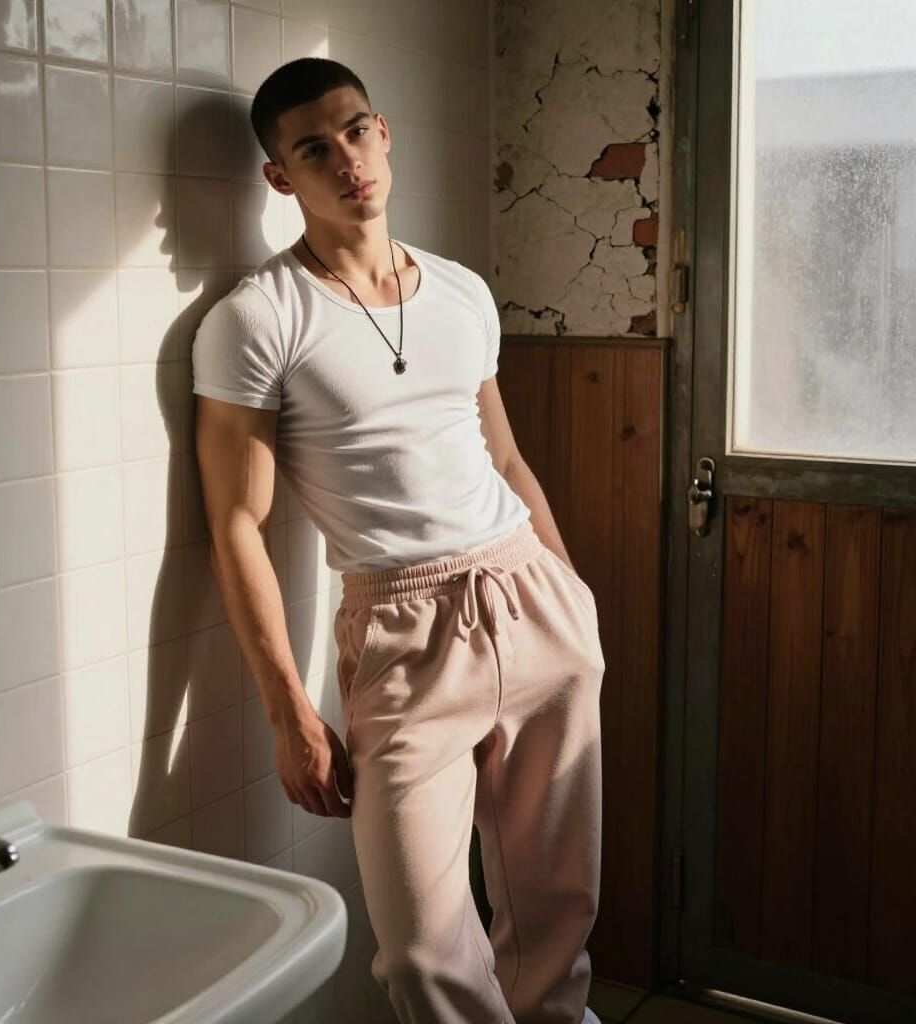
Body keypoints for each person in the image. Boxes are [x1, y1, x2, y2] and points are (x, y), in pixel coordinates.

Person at [192, 57, 604, 1024]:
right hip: (403, 628)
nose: (347, 159)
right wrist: (290, 713)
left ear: (384, 134)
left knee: (556, 911)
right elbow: (237, 523)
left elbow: (506, 459)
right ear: (280, 177)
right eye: (314, 149)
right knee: (421, 952)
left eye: (356, 131)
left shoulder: (461, 292)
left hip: (533, 600)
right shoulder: (256, 318)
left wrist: (571, 591)